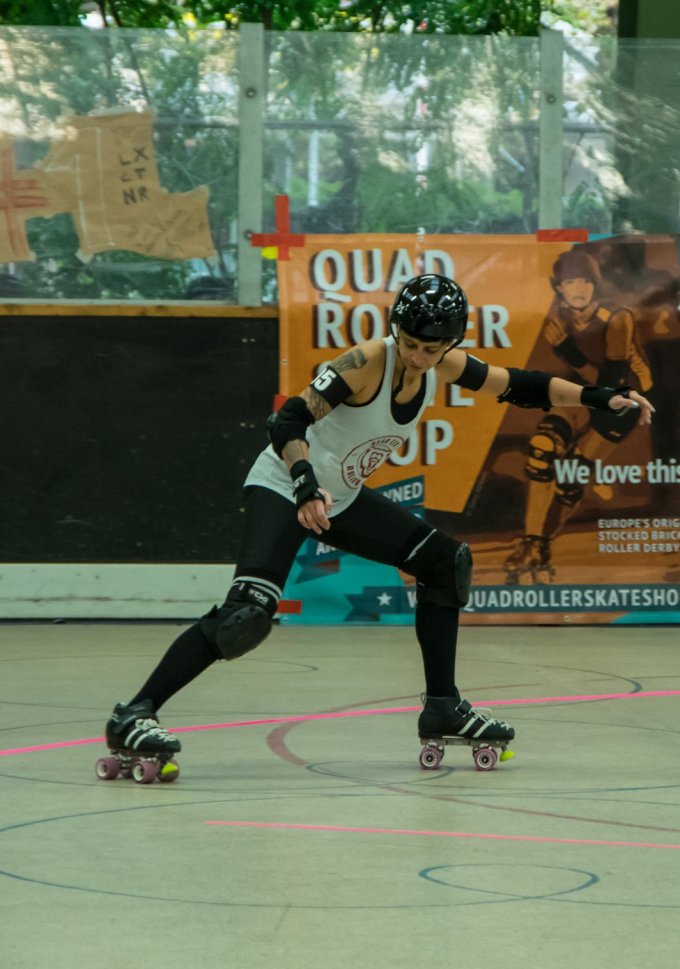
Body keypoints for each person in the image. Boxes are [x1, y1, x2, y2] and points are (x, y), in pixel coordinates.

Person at [103, 274, 655, 765]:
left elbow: (522, 385)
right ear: (396, 331)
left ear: (451, 343)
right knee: (246, 617)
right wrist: (303, 484)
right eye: (410, 343)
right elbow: (289, 418)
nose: (417, 356)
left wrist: (601, 398)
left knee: (444, 562)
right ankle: (135, 713)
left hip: (338, 498)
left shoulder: (445, 363)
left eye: (431, 348)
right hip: (284, 487)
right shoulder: (367, 361)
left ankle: (442, 708)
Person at [504, 249, 654, 583]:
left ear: (595, 284)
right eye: (570, 281)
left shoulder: (617, 317)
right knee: (543, 448)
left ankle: (541, 543)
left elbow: (610, 390)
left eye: (585, 280)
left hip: (626, 399)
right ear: (558, 287)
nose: (578, 288)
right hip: (587, 390)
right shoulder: (560, 314)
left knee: (571, 476)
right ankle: (533, 541)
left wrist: (566, 351)